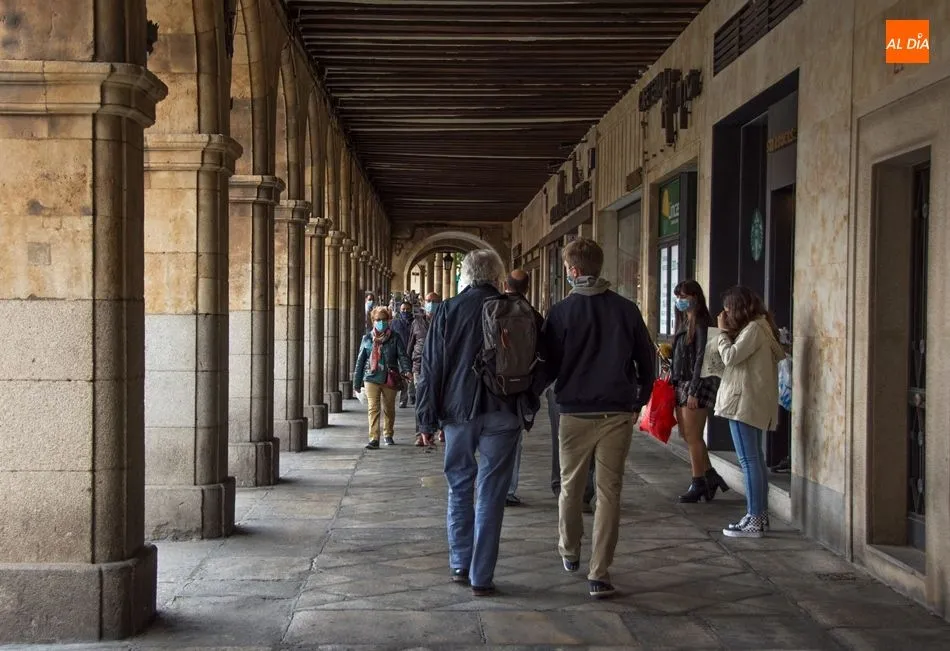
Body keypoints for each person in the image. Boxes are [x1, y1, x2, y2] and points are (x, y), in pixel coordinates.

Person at [416, 250, 540, 597]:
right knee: (492, 493)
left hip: (458, 414)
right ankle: (481, 575)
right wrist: (526, 396)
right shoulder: (518, 309)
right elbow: (544, 360)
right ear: (498, 277)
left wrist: (426, 420)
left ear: (466, 277)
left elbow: (431, 369)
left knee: (459, 485)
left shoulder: (447, 311)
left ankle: (460, 562)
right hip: (504, 411)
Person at [541, 237, 655, 599]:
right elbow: (646, 360)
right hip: (616, 413)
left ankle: (569, 550)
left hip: (573, 412)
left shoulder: (560, 313)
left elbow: (547, 365)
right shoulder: (626, 309)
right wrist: (640, 399)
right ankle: (600, 573)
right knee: (609, 493)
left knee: (571, 486)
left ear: (573, 271)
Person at [715, 286, 786, 538]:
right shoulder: (761, 327)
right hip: (751, 401)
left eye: (727, 309)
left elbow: (731, 357)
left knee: (749, 461)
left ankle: (755, 518)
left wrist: (722, 333)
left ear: (738, 308)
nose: (724, 314)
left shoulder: (754, 329)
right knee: (754, 459)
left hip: (744, 403)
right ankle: (758, 515)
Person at [670, 280, 729, 503]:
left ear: (695, 296)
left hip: (697, 385)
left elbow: (701, 359)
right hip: (682, 383)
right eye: (677, 297)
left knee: (694, 436)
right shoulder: (685, 321)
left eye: (684, 296)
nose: (680, 301)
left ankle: (698, 481)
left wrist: (694, 390)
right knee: (686, 434)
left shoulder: (703, 323)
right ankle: (710, 476)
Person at [501, 269, 544, 507]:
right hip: (520, 389)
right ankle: (508, 490)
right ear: (527, 288)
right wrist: (533, 390)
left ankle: (488, 485)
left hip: (491, 387)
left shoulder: (490, 309)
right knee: (512, 440)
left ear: (503, 284)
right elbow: (546, 357)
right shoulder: (533, 315)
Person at [354, 306, 411, 450]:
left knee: (389, 408)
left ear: (389, 321)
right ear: (373, 321)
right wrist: (356, 383)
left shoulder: (395, 337)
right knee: (373, 408)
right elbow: (360, 361)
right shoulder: (367, 339)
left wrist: (406, 370)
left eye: (384, 320)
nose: (381, 322)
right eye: (378, 320)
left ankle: (388, 433)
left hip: (389, 376)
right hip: (371, 377)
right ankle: (373, 438)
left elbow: (402, 356)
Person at [407, 291, 442, 447]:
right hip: (419, 365)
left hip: (438, 365)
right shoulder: (417, 322)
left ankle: (439, 430)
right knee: (421, 399)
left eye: (434, 301)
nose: (431, 304)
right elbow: (410, 345)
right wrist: (407, 367)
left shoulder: (444, 320)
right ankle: (420, 434)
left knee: (439, 398)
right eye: (428, 301)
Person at [392, 301, 414, 408]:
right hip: (400, 354)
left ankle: (413, 395)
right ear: (399, 310)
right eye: (403, 309)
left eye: (407, 309)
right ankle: (403, 399)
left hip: (414, 353)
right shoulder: (395, 323)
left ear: (411, 310)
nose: (405, 311)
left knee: (414, 376)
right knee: (403, 378)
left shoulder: (416, 322)